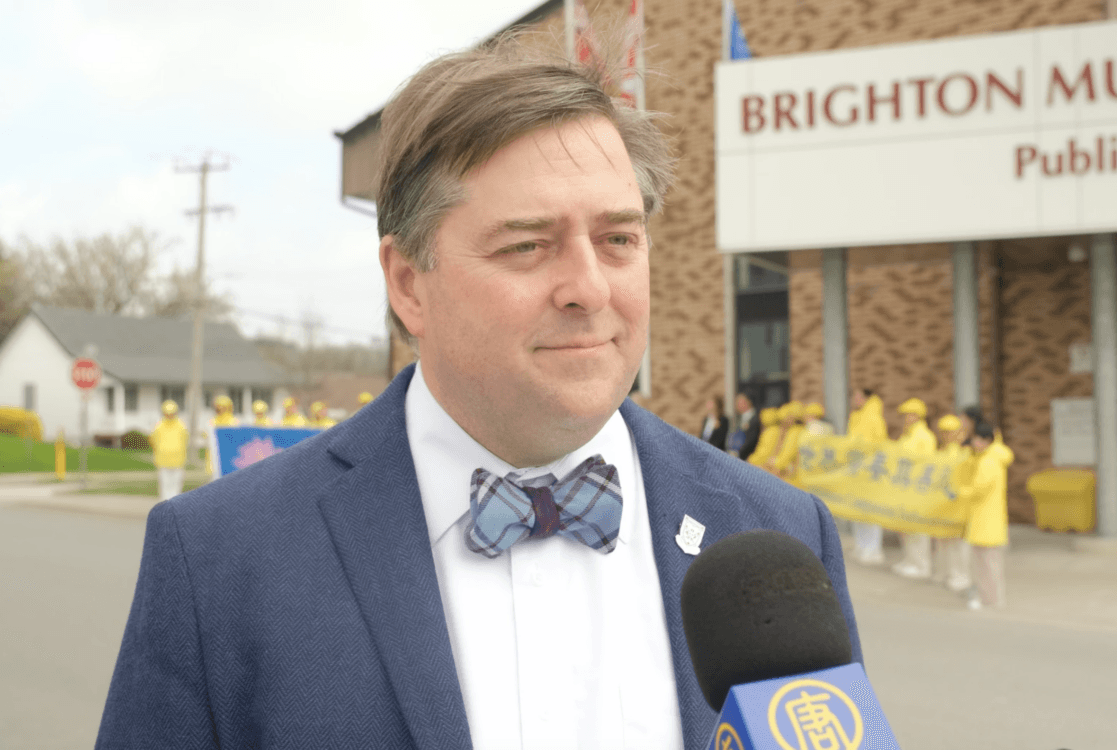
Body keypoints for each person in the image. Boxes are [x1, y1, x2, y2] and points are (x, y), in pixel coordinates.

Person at [96, 37, 860, 750]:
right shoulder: (219, 558)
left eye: (618, 239)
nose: (589, 288)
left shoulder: (779, 534)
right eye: (528, 245)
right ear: (408, 284)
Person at [958, 420, 1011, 610]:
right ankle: (990, 597)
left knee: (987, 564)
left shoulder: (989, 462)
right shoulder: (989, 459)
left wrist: (960, 492)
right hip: (986, 520)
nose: (974, 444)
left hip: (986, 521)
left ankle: (990, 599)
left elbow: (978, 489)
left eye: (978, 440)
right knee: (988, 563)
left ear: (987, 441)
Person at [891, 398, 937, 579]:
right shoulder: (907, 435)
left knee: (917, 529)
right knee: (906, 527)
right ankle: (909, 560)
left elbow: (925, 464)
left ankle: (921, 565)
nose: (906, 418)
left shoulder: (925, 437)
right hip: (904, 487)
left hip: (917, 489)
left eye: (909, 414)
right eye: (905, 415)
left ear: (918, 416)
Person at [847, 387, 888, 565]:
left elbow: (878, 445)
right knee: (859, 511)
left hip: (870, 471)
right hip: (857, 470)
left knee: (870, 511)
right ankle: (862, 546)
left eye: (857, 396)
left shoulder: (874, 418)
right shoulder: (856, 417)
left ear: (866, 398)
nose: (854, 399)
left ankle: (873, 549)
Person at [931, 414, 971, 592]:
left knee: (957, 544)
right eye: (944, 432)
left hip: (958, 506)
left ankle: (960, 575)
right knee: (942, 542)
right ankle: (944, 571)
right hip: (941, 505)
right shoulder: (938, 453)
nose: (947, 436)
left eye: (950, 432)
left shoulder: (965, 454)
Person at [149, 400, 188, 501]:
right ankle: (165, 505)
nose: (169, 415)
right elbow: (153, 440)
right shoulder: (159, 426)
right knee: (165, 485)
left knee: (176, 485)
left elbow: (185, 440)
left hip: (178, 460)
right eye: (167, 413)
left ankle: (174, 505)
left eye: (172, 413)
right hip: (163, 461)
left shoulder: (181, 425)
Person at [764, 401, 804, 478]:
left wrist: (775, 465)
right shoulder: (797, 430)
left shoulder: (795, 431)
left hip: (795, 476)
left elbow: (788, 454)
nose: (783, 424)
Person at [730, 391, 762, 460]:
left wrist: (738, 453)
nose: (738, 405)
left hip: (749, 457)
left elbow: (752, 439)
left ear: (749, 401)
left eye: (741, 402)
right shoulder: (738, 419)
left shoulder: (756, 418)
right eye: (737, 402)